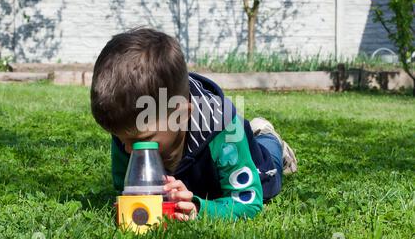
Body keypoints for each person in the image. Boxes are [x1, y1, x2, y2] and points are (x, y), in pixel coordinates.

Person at [90, 27, 297, 221]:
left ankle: (269, 137)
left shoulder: (221, 128)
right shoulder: (130, 127)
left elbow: (248, 201)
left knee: (270, 173)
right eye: (119, 138)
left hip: (245, 156)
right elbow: (124, 190)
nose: (127, 149)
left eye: (140, 140)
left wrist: (199, 208)